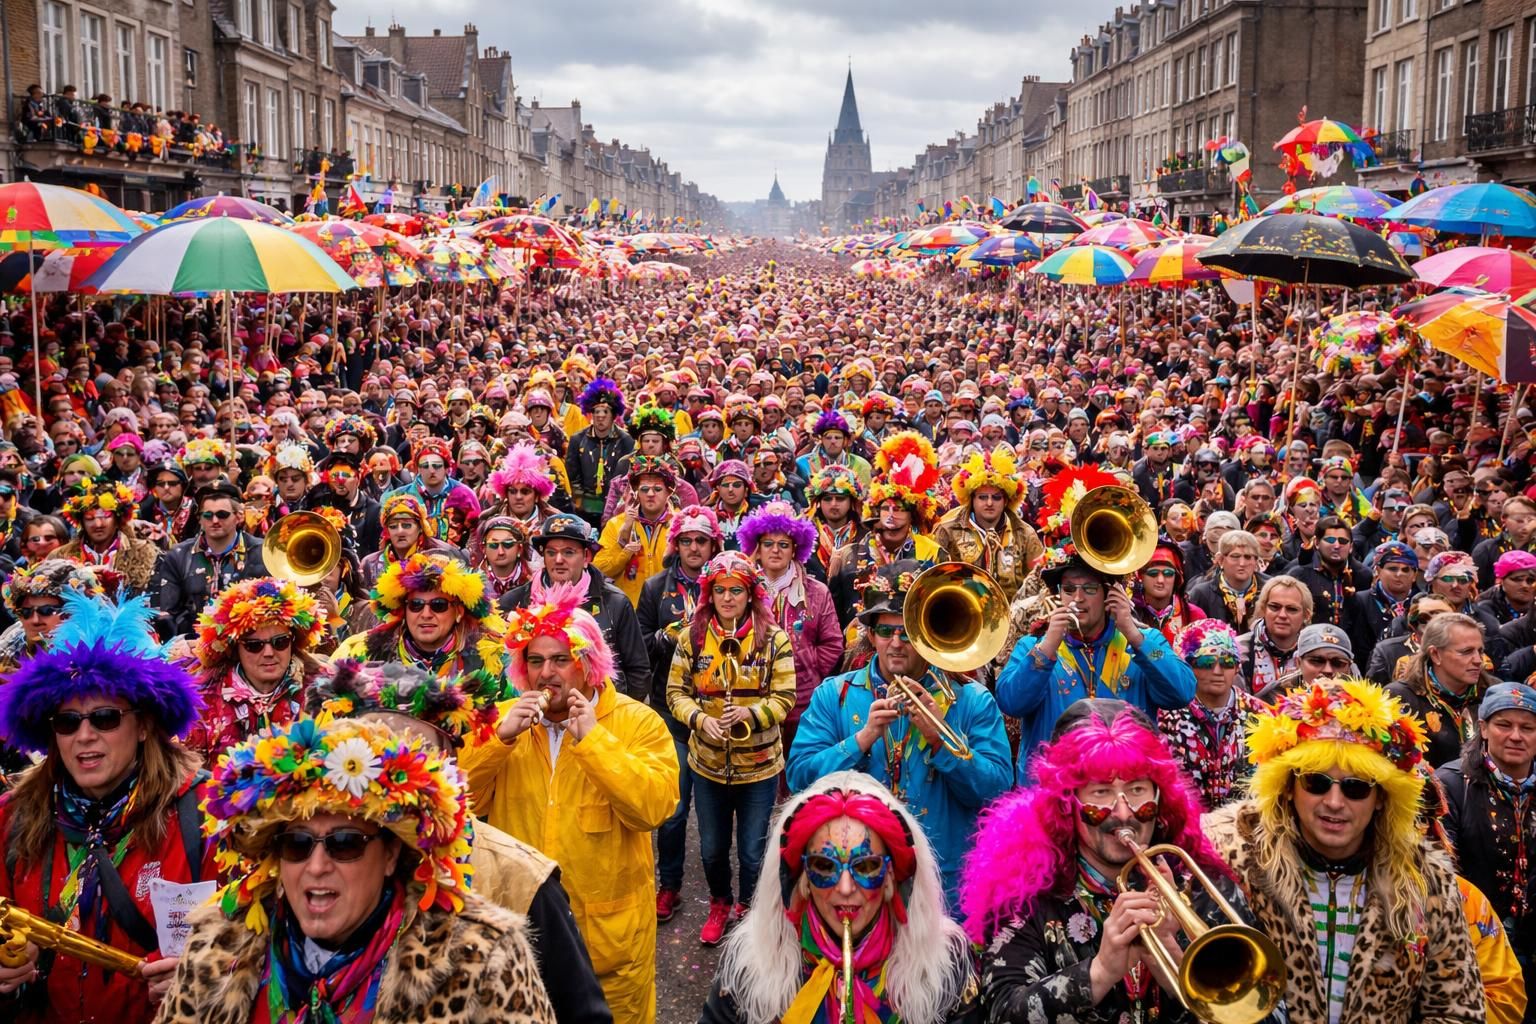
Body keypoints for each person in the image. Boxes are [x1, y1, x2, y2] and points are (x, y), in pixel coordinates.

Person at [171, 716, 555, 1024]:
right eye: (297, 844)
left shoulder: (478, 957)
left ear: (390, 855)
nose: (317, 867)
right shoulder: (218, 946)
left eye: (346, 844)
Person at [305, 659, 612, 1024]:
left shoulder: (521, 879)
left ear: (448, 764)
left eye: (411, 757)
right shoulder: (303, 863)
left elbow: (581, 1014)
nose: (388, 781)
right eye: (367, 757)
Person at [959, 699, 1277, 1024]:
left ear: (1159, 795)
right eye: (1100, 792)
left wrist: (1171, 957)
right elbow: (1001, 1011)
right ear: (1067, 804)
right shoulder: (1027, 895)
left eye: (1137, 789)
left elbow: (1262, 1014)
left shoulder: (1203, 884)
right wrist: (1098, 973)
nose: (1123, 813)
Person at [1203, 678, 1484, 1023]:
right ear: (1289, 787)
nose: (1334, 803)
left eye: (1356, 788)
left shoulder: (1427, 881)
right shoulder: (1231, 859)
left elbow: (1456, 1010)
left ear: (1382, 797)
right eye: (1316, 782)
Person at [461, 581, 678, 1024]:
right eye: (536, 661)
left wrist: (594, 741)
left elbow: (653, 809)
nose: (547, 674)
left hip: (609, 948)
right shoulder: (503, 720)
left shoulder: (639, 723)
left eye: (562, 660)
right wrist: (497, 742)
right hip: (519, 941)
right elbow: (457, 801)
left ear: (589, 665)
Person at [0, 590, 214, 1024]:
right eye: (66, 722)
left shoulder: (207, 815)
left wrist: (208, 975)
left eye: (105, 718)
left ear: (143, 726)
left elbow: (257, 940)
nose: (84, 736)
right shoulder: (12, 816)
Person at [789, 559, 1012, 903]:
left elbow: (995, 792)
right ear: (869, 634)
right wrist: (860, 741)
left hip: (944, 876)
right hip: (859, 876)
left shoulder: (973, 700)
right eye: (885, 631)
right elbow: (799, 780)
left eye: (907, 632)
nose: (895, 643)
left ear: (927, 633)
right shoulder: (834, 695)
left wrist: (941, 739)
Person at [701, 772, 978, 1024]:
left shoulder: (944, 962)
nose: (845, 887)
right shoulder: (752, 960)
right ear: (804, 880)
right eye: (824, 866)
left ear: (891, 878)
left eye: (866, 866)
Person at [997, 466, 1195, 762]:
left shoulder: (1142, 641)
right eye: (1068, 589)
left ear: (1109, 594)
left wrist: (1134, 635)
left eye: (1089, 589)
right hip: (1052, 796)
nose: (1077, 598)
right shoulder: (1033, 646)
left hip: (1124, 790)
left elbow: (1181, 693)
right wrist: (1048, 646)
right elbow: (1011, 702)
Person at [666, 552, 796, 944]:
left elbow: (785, 696)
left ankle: (749, 907)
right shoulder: (692, 636)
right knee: (710, 850)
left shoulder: (775, 639)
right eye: (719, 591)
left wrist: (750, 715)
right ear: (709, 594)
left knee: (754, 853)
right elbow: (674, 692)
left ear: (750, 595)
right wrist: (700, 720)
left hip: (758, 766)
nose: (727, 598)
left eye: (735, 591)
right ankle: (720, 902)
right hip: (706, 763)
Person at [638, 504, 723, 923]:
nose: (693, 547)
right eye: (686, 540)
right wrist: (666, 637)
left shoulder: (727, 585)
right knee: (673, 812)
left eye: (701, 541)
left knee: (713, 819)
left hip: (719, 714)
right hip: (670, 710)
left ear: (713, 545)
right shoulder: (656, 587)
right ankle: (668, 885)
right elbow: (639, 643)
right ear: (677, 545)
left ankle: (721, 897)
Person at [1436, 680, 1536, 1012]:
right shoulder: (1451, 784)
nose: (1516, 736)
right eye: (1504, 725)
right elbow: (1440, 868)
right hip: (1479, 941)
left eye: (1528, 727)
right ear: (1483, 728)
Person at [498, 513, 651, 703]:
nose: (559, 559)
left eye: (569, 552)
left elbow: (638, 672)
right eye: (551, 552)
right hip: (534, 717)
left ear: (586, 556)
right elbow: (500, 667)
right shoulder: (515, 603)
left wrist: (614, 715)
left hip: (600, 715)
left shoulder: (615, 602)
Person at [181, 576, 327, 765]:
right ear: (235, 648)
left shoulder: (323, 691)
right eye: (254, 645)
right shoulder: (202, 699)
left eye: (280, 642)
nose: (268, 653)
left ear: (293, 641)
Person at [735, 501, 844, 752]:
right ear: (757, 549)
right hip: (751, 699)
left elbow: (833, 643)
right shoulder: (741, 590)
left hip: (801, 702)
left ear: (795, 549)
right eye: (768, 544)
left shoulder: (816, 592)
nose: (776, 551)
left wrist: (807, 668)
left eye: (783, 544)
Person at [827, 432, 943, 631]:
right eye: (885, 509)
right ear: (874, 512)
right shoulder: (845, 556)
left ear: (912, 516)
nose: (891, 516)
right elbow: (832, 617)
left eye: (899, 510)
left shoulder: (933, 552)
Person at [335, 552, 506, 678]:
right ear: (404, 610)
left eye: (438, 605)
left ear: (459, 612)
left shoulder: (489, 656)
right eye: (416, 605)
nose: (426, 614)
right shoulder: (360, 650)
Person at [1157, 619, 1266, 808]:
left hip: (1244, 828)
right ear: (1186, 665)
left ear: (1237, 667)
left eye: (1227, 661)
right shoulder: (1165, 719)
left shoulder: (1261, 716)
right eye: (1205, 662)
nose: (1217, 671)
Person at [150, 481, 269, 638]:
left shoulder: (262, 552)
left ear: (238, 516)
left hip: (248, 644)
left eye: (222, 514)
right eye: (207, 515)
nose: (214, 521)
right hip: (192, 648)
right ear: (199, 519)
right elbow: (169, 613)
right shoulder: (178, 555)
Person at [930, 447, 1042, 601]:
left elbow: (1038, 581)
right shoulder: (947, 530)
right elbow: (933, 579)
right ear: (971, 499)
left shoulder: (1024, 533)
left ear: (1006, 501)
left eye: (996, 497)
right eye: (982, 497)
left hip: (1012, 615)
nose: (989, 503)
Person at [1389, 611, 1497, 768]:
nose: (1478, 660)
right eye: (1466, 652)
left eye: (1480, 651)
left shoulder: (1493, 693)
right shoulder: (1400, 698)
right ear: (1435, 654)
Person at [595, 455, 677, 607]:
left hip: (670, 608)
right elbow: (602, 569)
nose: (650, 494)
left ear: (669, 492)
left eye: (658, 489)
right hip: (630, 609)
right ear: (636, 492)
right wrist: (624, 545)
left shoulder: (680, 525)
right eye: (644, 489)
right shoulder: (617, 524)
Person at [566, 377, 635, 527]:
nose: (600, 416)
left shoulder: (626, 441)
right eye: (596, 411)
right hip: (584, 509)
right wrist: (579, 503)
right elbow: (572, 475)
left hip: (615, 507)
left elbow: (628, 476)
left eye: (605, 411)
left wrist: (615, 505)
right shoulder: (577, 440)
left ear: (614, 415)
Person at [358, 492, 462, 591]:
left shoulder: (441, 558)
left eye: (407, 525)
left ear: (421, 527)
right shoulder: (370, 564)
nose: (400, 531)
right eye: (393, 526)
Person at [1347, 540, 1420, 668]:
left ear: (1414, 575)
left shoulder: (1423, 604)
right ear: (1379, 571)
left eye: (1405, 570)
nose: (1399, 574)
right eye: (1392, 568)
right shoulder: (1360, 601)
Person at [1237, 575, 1312, 698]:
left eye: (1292, 609)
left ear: (1307, 615)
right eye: (1274, 607)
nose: (1282, 615)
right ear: (1263, 609)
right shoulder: (1239, 650)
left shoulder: (1319, 653)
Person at [1185, 529, 1268, 632]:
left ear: (1256, 561)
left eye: (1248, 557)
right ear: (1220, 560)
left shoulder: (1269, 590)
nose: (1242, 563)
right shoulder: (1201, 594)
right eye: (1235, 557)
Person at [1132, 541, 1205, 644]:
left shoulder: (1194, 615)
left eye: (1168, 573)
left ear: (1178, 578)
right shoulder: (1129, 614)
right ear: (1140, 576)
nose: (1160, 580)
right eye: (1153, 573)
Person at [806, 463, 866, 577]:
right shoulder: (805, 535)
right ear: (819, 502)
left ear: (851, 502)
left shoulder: (865, 535)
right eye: (827, 499)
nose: (833, 504)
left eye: (840, 499)